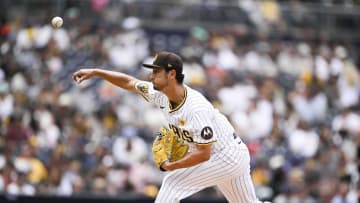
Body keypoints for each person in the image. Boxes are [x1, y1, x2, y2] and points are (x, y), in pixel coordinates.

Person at [72, 51, 264, 203]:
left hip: (224, 155)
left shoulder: (195, 108)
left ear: (171, 74)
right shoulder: (161, 94)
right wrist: (97, 72)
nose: (151, 75)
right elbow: (129, 82)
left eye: (156, 71)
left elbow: (204, 154)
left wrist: (173, 166)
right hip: (232, 154)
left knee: (172, 182)